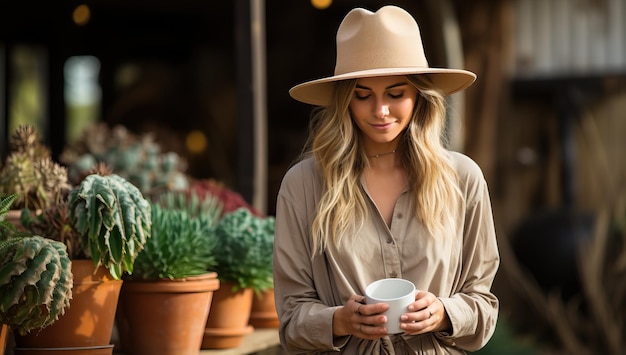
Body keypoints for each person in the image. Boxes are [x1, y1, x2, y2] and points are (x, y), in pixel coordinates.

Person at [273, 5, 500, 354]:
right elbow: (290, 320)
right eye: (362, 96)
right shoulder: (304, 185)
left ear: (419, 97)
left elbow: (482, 304)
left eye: (396, 94)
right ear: (345, 101)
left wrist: (444, 313)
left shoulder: (463, 179)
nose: (380, 110)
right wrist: (340, 321)